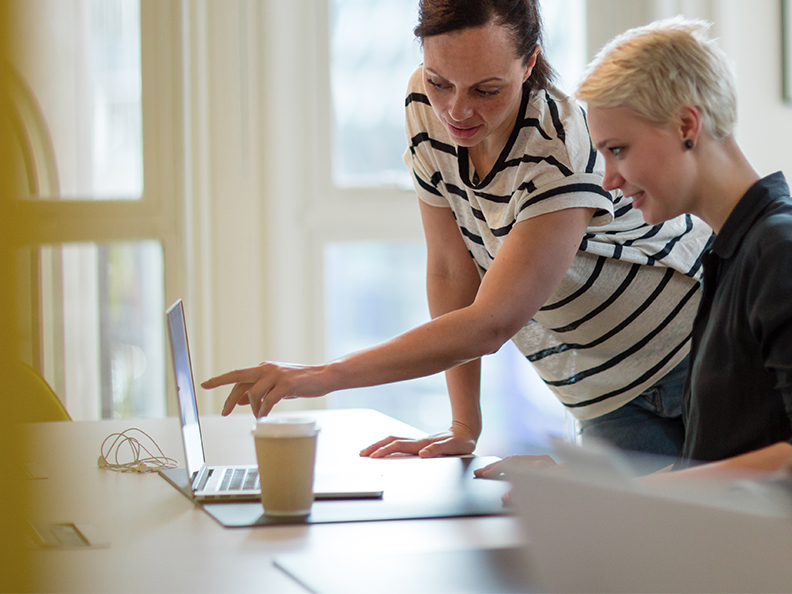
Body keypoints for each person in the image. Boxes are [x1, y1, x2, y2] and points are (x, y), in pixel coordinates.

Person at [202, 0, 711, 462]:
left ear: (529, 63)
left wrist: (320, 376)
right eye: (439, 80)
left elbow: (491, 323)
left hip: (695, 348)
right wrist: (464, 424)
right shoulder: (423, 109)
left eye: (487, 90)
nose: (457, 111)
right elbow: (451, 271)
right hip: (599, 386)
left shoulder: (556, 138)